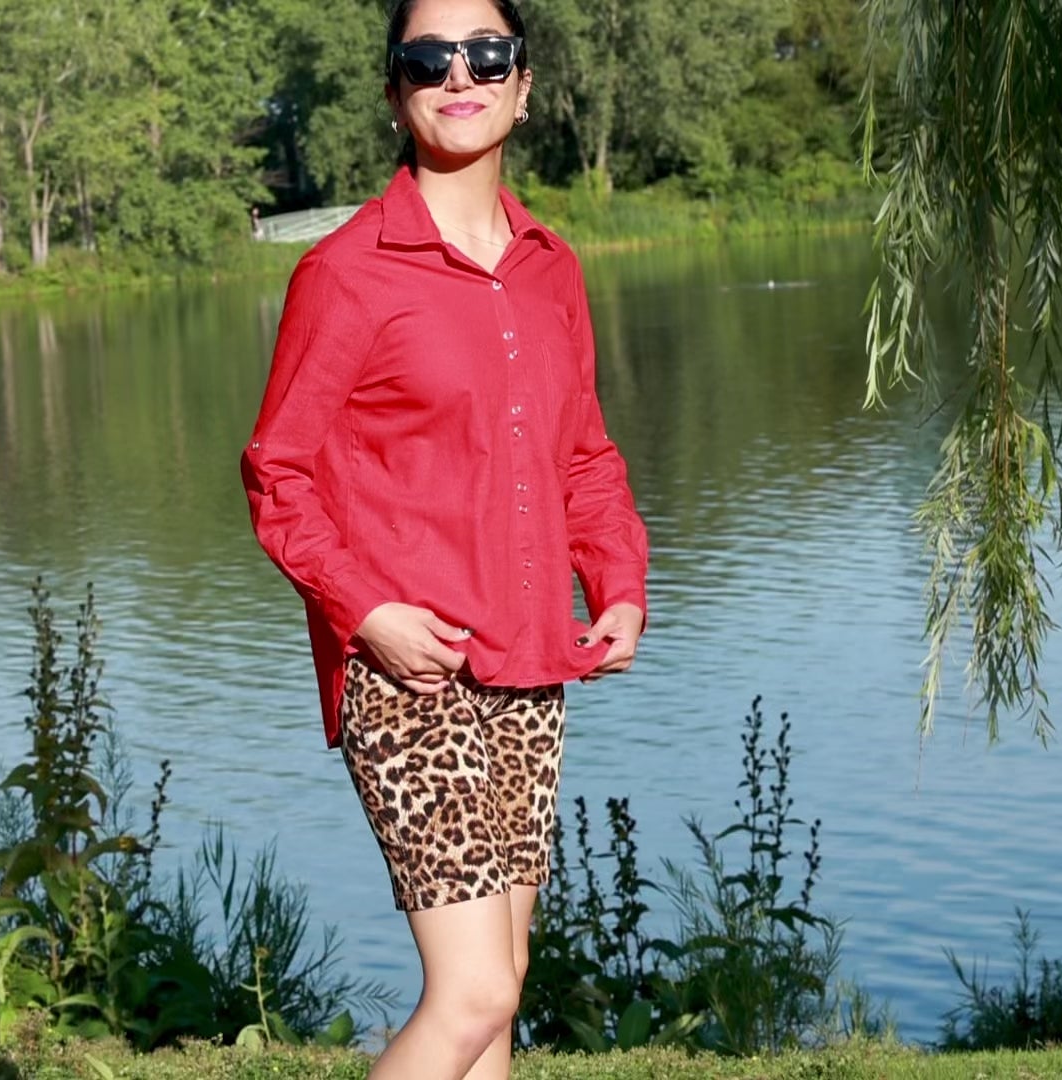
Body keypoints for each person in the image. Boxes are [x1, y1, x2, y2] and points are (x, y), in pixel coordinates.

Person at [238, 1, 648, 1076]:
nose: (457, 73)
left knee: (501, 1003)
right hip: (406, 673)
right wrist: (365, 612)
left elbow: (585, 457)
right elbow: (278, 475)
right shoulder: (345, 275)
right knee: (473, 993)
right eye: (429, 57)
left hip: (529, 659)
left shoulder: (552, 270)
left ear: (522, 85)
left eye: (486, 54)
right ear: (394, 92)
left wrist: (620, 582)